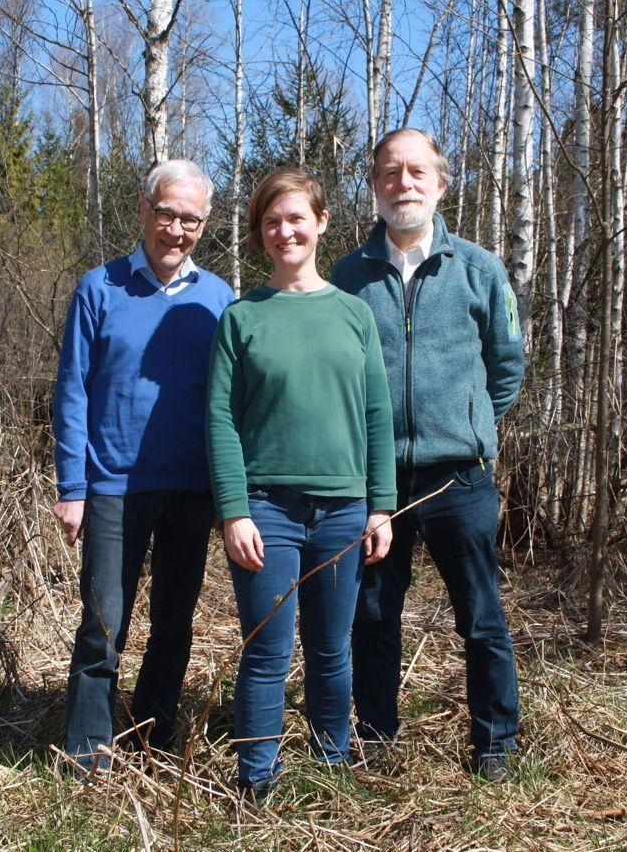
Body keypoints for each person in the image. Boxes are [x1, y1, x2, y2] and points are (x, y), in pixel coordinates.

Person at [332, 128, 526, 781]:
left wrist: (467, 427)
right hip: (375, 483)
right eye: (390, 172)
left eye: (417, 171)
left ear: (441, 183)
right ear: (375, 186)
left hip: (458, 479)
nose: (404, 183)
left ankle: (496, 745)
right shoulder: (347, 277)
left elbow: (507, 366)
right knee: (374, 615)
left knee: (481, 616)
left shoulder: (478, 269)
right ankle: (375, 740)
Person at [206, 168, 396, 801]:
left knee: (331, 650)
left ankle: (331, 770)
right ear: (260, 234)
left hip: (344, 512)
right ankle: (257, 780)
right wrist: (234, 511)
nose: (284, 231)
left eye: (295, 218)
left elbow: (376, 414)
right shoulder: (242, 318)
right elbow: (221, 422)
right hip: (266, 511)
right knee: (265, 653)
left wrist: (382, 506)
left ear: (320, 223)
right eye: (270, 222)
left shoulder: (354, 314)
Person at [52, 159, 234, 774]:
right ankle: (87, 755)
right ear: (144, 212)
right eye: (166, 213)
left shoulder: (218, 299)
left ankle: (152, 742)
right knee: (104, 623)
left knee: (174, 625)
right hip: (112, 486)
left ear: (203, 227)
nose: (175, 229)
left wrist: (228, 494)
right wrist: (72, 486)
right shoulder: (99, 288)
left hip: (190, 488)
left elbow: (231, 398)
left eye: (190, 219)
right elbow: (72, 391)